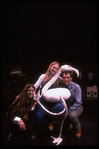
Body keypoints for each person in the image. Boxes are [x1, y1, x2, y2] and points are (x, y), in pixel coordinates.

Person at [33, 61, 64, 135]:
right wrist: (34, 97)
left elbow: (66, 80)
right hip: (43, 100)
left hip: (53, 100)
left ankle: (50, 121)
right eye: (54, 67)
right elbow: (35, 86)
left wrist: (68, 69)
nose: (55, 70)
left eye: (57, 69)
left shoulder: (58, 78)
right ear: (50, 67)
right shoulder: (43, 76)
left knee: (60, 107)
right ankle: (35, 130)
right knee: (38, 115)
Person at [61, 71, 83, 138]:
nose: (66, 79)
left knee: (71, 115)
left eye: (68, 77)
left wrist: (69, 110)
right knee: (67, 128)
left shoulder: (76, 87)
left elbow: (78, 102)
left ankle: (78, 129)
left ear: (71, 78)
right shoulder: (61, 86)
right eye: (64, 77)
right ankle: (69, 123)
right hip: (66, 107)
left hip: (77, 107)